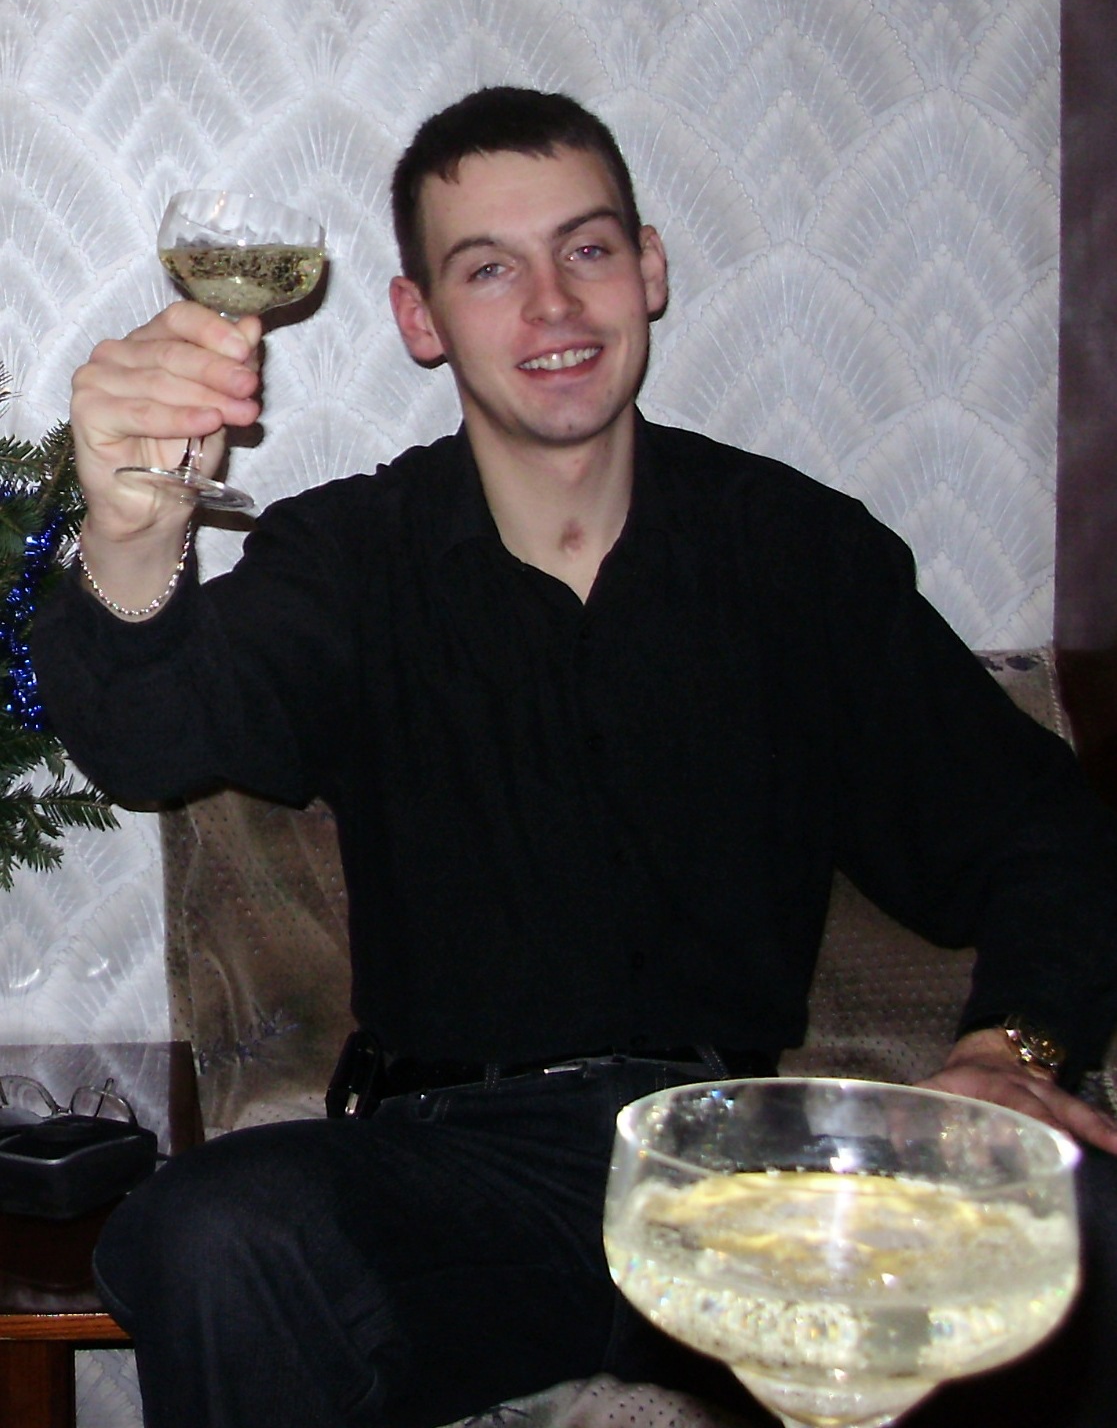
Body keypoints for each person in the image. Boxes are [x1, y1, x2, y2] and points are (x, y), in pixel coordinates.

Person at [31, 86, 1117, 1428]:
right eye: (489, 269)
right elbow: (151, 739)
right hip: (454, 1181)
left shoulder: (795, 554)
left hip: (743, 1174)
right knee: (214, 1232)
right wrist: (135, 530)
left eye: (587, 249)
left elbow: (1037, 832)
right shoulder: (351, 559)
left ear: (648, 270)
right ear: (419, 319)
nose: (552, 304)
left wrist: (1013, 1049)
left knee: (1082, 1230)